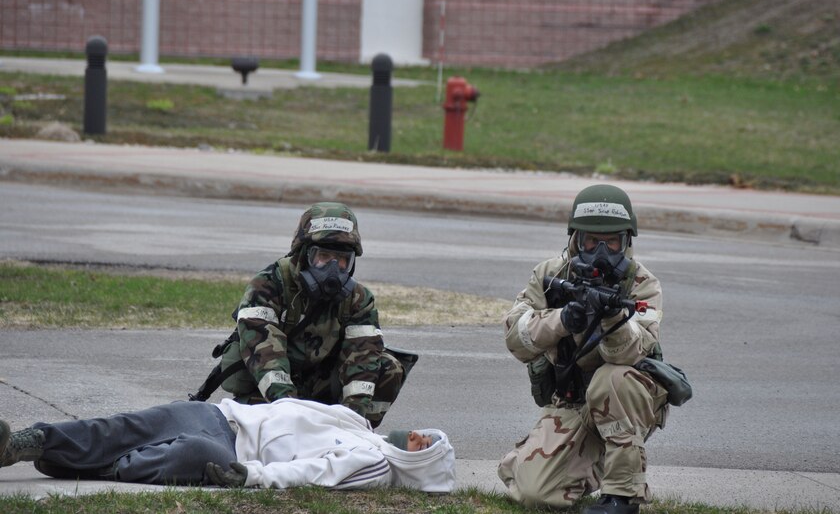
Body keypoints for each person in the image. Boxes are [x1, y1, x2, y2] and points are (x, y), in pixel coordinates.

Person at [498, 185, 669, 514]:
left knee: (613, 378)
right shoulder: (550, 274)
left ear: (626, 241)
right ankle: (558, 461)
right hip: (573, 402)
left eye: (612, 242)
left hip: (629, 399)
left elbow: (633, 354)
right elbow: (515, 339)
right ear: (576, 238)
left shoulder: (642, 284)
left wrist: (612, 318)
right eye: (592, 241)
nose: (602, 251)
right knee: (535, 495)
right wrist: (563, 320)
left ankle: (623, 496)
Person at [216, 202, 405, 428]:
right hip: (271, 394)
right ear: (303, 254)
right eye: (323, 256)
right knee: (259, 429)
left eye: (343, 259)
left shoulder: (358, 298)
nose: (333, 268)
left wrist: (352, 422)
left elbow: (363, 357)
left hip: (321, 388)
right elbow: (264, 353)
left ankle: (353, 430)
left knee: (389, 366)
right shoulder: (269, 284)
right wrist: (288, 409)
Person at [0, 398, 455, 491]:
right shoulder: (362, 427)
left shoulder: (376, 465)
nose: (415, 435)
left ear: (420, 465)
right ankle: (31, 443)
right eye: (423, 432)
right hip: (228, 417)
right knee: (132, 425)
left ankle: (85, 466)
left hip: (235, 455)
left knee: (188, 455)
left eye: (422, 445)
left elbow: (314, 473)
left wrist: (251, 475)